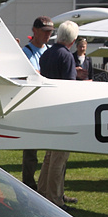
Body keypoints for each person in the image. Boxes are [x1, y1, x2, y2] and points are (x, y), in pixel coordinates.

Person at [35, 20, 81, 206]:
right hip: (63, 111)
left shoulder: (47, 54)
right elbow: (68, 86)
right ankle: (55, 198)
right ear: (73, 38)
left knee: (49, 156)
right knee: (59, 158)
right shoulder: (67, 56)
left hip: (48, 108)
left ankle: (44, 191)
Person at [20, 17, 57, 188]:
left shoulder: (50, 50)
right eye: (44, 32)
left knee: (53, 151)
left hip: (49, 101)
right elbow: (29, 73)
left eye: (50, 32)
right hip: (32, 103)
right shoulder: (26, 52)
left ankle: (48, 185)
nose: (47, 35)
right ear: (34, 31)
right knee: (31, 150)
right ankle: (29, 184)